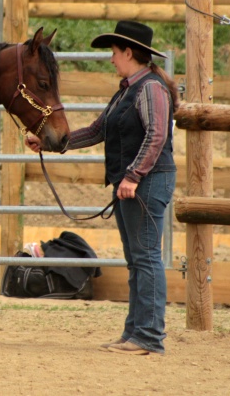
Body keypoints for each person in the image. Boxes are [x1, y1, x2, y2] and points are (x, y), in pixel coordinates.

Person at [26, 20, 179, 356]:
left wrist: (134, 175)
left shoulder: (150, 88)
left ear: (128, 52)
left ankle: (149, 337)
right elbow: (98, 130)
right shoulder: (128, 89)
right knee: (137, 259)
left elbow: (157, 136)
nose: (111, 59)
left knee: (146, 258)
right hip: (133, 183)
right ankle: (136, 333)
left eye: (114, 52)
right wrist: (51, 143)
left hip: (145, 182)